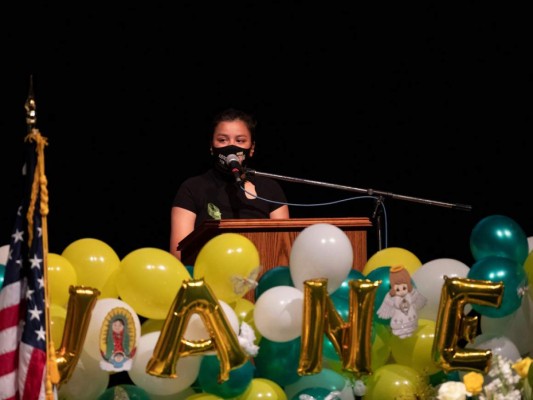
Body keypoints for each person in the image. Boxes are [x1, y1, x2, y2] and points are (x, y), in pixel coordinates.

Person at [170, 108, 290, 260]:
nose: (231, 147)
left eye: (240, 141)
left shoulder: (271, 189)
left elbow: (282, 249)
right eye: (222, 140)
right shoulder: (192, 188)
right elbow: (179, 252)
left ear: (251, 148)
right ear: (211, 146)